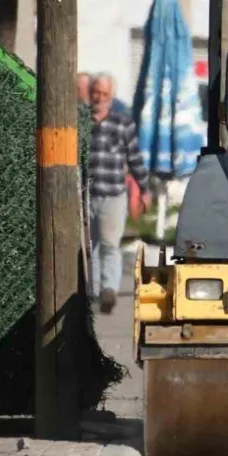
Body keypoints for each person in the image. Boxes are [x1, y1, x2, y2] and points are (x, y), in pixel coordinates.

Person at [87, 73, 151, 313]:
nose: (99, 98)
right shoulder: (82, 121)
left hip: (113, 194)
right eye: (96, 92)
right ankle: (93, 293)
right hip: (86, 195)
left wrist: (144, 189)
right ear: (90, 93)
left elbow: (134, 158)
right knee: (89, 247)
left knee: (109, 245)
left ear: (111, 96)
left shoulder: (122, 122)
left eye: (104, 94)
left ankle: (109, 290)